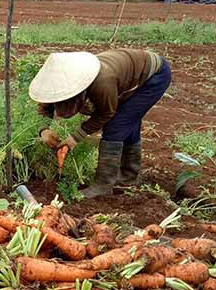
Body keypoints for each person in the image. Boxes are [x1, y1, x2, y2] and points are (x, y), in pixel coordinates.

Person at [29, 49, 171, 198]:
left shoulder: (102, 81)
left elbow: (106, 113)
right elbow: (44, 107)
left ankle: (103, 185)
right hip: (127, 75)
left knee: (117, 125)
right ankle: (129, 177)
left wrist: (75, 138)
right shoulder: (58, 82)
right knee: (128, 122)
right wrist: (43, 130)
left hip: (153, 77)